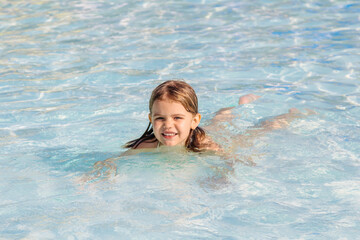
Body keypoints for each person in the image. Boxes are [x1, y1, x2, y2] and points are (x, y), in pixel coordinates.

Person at [82, 80, 314, 182]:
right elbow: (112, 161)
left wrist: (222, 176)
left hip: (211, 138)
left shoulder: (204, 145)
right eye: (160, 118)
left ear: (193, 120)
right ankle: (240, 103)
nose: (168, 125)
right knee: (220, 120)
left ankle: (289, 115)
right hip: (196, 132)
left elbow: (229, 160)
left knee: (256, 132)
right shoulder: (147, 145)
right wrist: (98, 175)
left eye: (177, 118)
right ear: (150, 119)